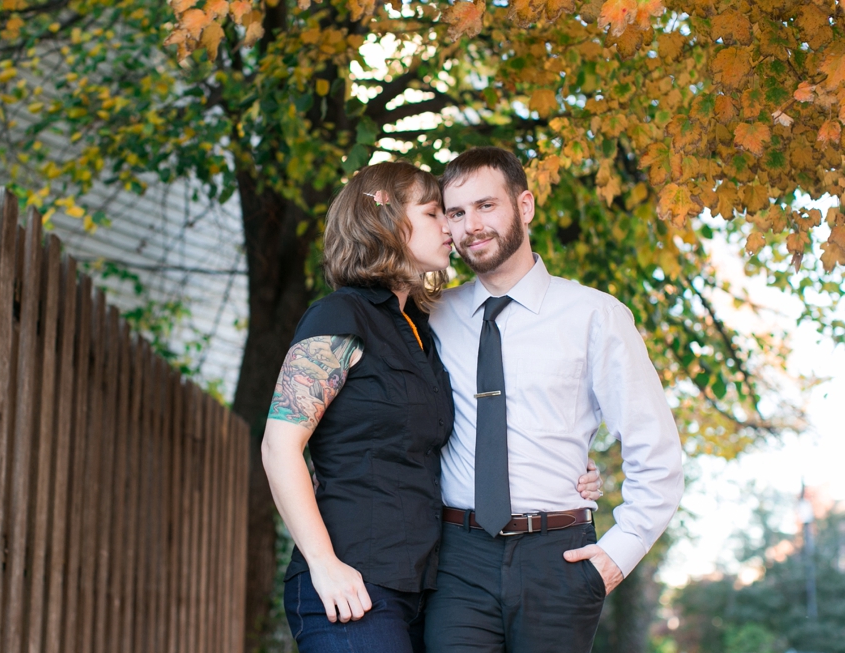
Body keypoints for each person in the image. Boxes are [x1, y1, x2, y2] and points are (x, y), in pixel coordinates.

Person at [260, 161, 605, 652]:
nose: (451, 227)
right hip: (349, 583)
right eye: (433, 213)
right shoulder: (339, 315)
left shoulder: (422, 328)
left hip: (425, 588)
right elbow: (279, 447)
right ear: (385, 224)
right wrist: (324, 564)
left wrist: (570, 468)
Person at [424, 147, 685, 653]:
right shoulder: (433, 316)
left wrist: (615, 557)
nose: (471, 225)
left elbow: (656, 453)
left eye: (485, 206)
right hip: (457, 560)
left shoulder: (596, 316)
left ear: (525, 206)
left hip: (558, 560)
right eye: (456, 213)